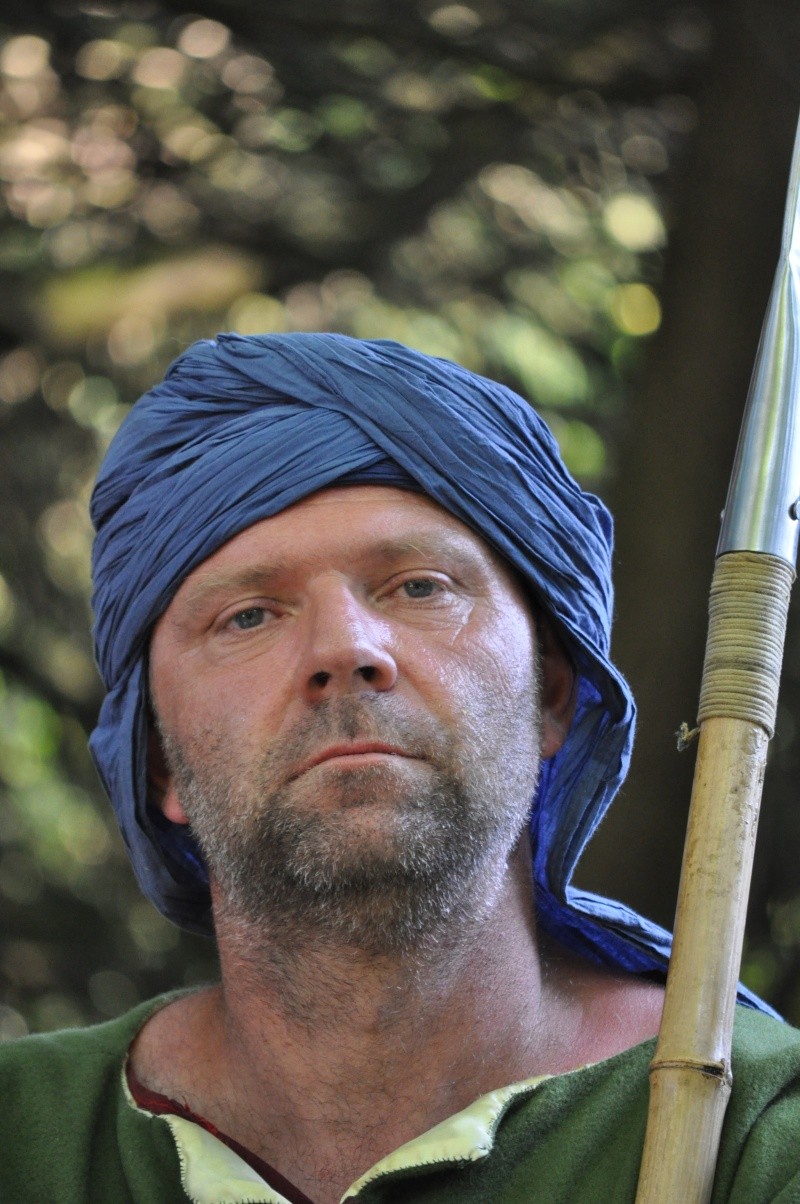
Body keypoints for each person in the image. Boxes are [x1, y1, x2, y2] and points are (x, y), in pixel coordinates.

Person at [1, 333, 799, 1203]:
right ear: (158, 760)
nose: (345, 648)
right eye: (250, 616)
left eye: (419, 587)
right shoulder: (25, 1139)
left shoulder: (757, 1137)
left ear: (553, 698)